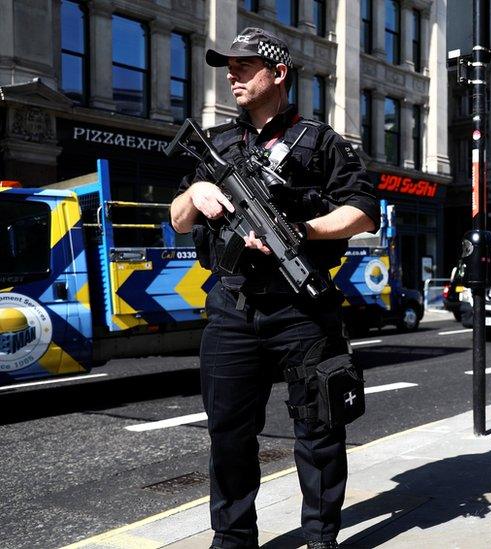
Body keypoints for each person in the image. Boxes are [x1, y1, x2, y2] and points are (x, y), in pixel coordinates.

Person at [169, 28, 378, 549]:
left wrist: (301, 230)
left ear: (278, 72)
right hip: (233, 306)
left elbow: (362, 213)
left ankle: (320, 536)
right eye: (228, 67)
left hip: (301, 306)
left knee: (320, 427)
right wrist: (198, 189)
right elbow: (177, 221)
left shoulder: (323, 141)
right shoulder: (217, 143)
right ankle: (233, 538)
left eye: (243, 66)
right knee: (229, 436)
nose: (232, 76)